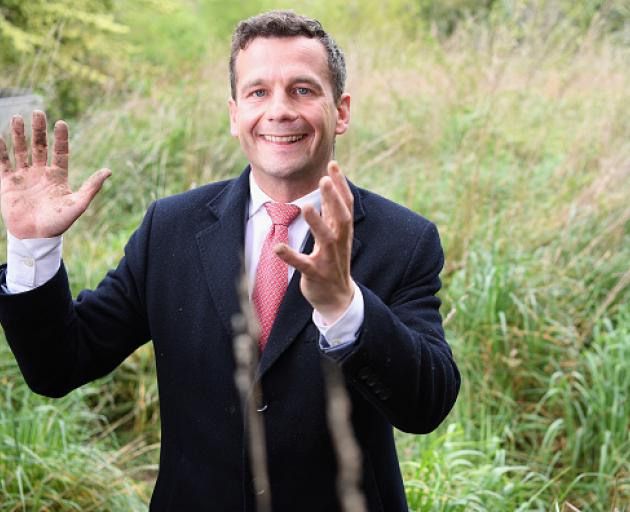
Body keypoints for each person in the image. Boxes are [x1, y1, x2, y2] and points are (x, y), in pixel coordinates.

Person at [0, 10, 460, 512]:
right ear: (234, 113)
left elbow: (427, 405)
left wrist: (346, 307)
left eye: (303, 90)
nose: (279, 110)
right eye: (258, 92)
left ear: (341, 110)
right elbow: (58, 366)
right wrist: (32, 247)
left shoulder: (404, 240)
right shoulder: (170, 227)